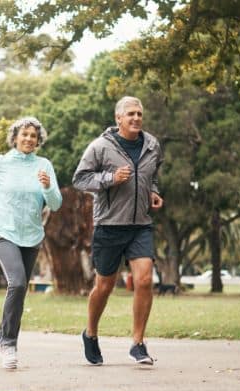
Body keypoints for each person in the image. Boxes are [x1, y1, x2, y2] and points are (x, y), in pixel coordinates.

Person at [73, 96, 164, 365]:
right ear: (118, 118)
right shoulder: (100, 147)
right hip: (109, 226)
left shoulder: (152, 145)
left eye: (139, 113)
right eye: (131, 114)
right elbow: (80, 179)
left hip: (140, 226)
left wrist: (154, 192)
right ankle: (90, 333)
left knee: (145, 279)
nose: (136, 118)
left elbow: (152, 174)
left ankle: (138, 343)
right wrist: (111, 178)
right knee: (104, 286)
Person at [0, 117, 62, 369]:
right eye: (25, 134)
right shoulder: (0, 163)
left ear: (38, 140)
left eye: (34, 136)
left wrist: (47, 187)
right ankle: (7, 343)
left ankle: (8, 339)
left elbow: (55, 203)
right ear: (15, 137)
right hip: (3, 233)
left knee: (19, 291)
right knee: (18, 283)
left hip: (32, 236)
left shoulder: (44, 165)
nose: (29, 139)